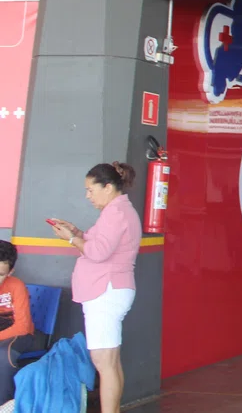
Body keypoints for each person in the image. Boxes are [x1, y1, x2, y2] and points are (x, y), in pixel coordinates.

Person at [47, 162, 142, 413]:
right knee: (110, 361)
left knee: (104, 362)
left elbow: (98, 252)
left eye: (90, 190)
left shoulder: (115, 213)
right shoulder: (118, 211)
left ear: (108, 187)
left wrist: (70, 238)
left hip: (105, 291)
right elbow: (98, 242)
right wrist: (76, 232)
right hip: (109, 290)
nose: (87, 196)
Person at [0, 240, 33, 402]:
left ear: (10, 271)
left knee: (2, 355)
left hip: (19, 335)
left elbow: (22, 326)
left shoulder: (16, 286)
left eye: (0, 274)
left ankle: (3, 405)